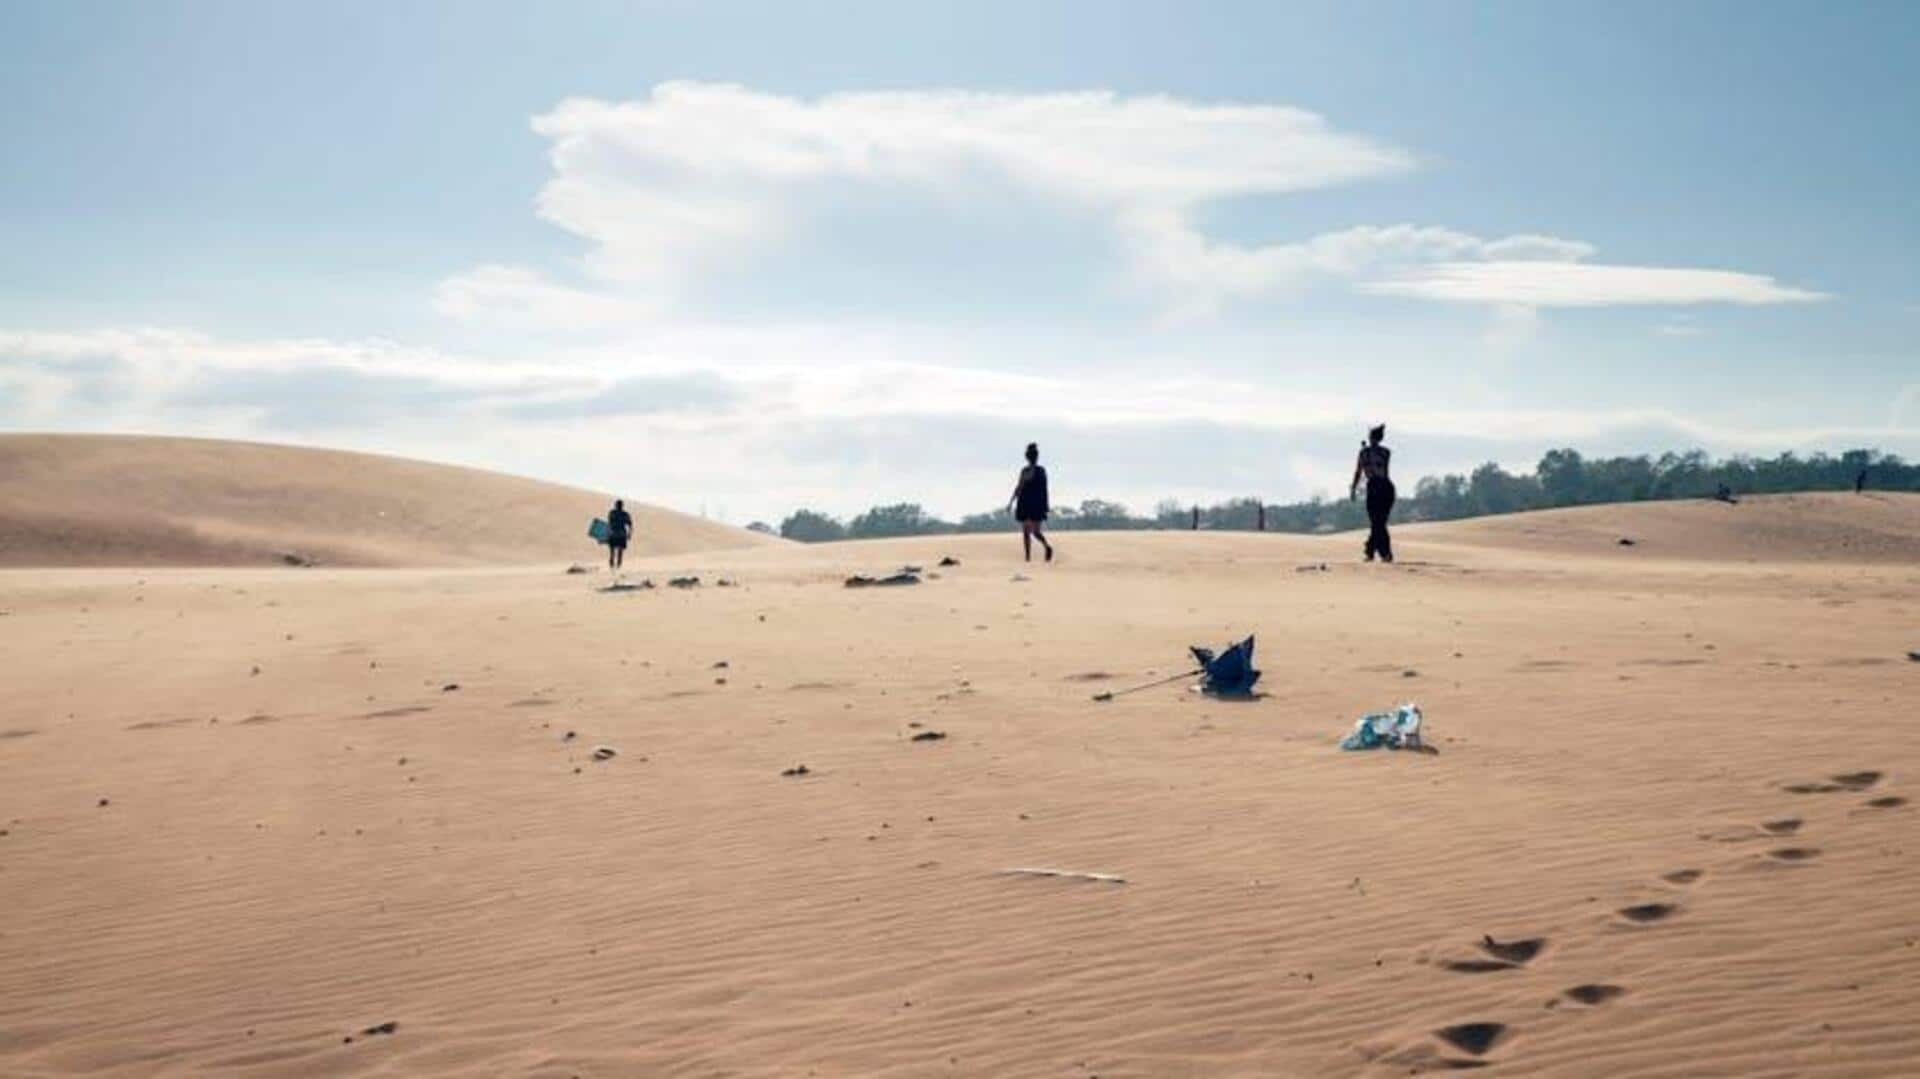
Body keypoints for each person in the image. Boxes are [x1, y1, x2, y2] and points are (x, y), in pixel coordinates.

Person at [1349, 425, 1395, 563]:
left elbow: (1374, 468)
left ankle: (1373, 551)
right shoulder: (1366, 453)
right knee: (1377, 523)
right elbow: (1359, 472)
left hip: (1383, 487)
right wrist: (1353, 488)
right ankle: (1380, 553)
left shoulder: (1384, 452)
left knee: (1379, 522)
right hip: (1375, 486)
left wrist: (1367, 454)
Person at [1009, 442, 1054, 563]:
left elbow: (1020, 487)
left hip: (1032, 503)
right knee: (1030, 531)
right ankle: (1029, 557)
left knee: (1032, 532)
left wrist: (1011, 501)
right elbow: (1019, 487)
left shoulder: (1037, 471)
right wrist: (1011, 501)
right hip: (1030, 503)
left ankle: (1043, 549)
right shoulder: (1033, 470)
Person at [606, 499, 634, 571]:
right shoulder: (624, 514)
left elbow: (609, 524)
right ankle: (615, 567)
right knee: (617, 552)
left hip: (615, 534)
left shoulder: (613, 513)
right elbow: (630, 525)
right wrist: (629, 534)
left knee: (614, 552)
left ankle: (615, 567)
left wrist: (629, 533)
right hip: (619, 534)